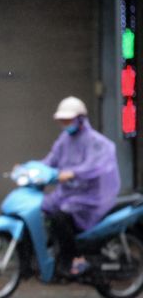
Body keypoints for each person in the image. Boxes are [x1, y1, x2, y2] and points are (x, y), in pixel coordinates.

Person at [41, 96, 120, 276]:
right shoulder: (64, 140)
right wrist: (30, 169)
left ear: (80, 119)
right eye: (63, 120)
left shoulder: (96, 141)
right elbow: (50, 160)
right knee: (46, 210)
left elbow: (94, 165)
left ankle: (72, 259)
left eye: (68, 120)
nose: (65, 124)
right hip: (70, 194)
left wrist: (74, 173)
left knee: (60, 217)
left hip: (91, 198)